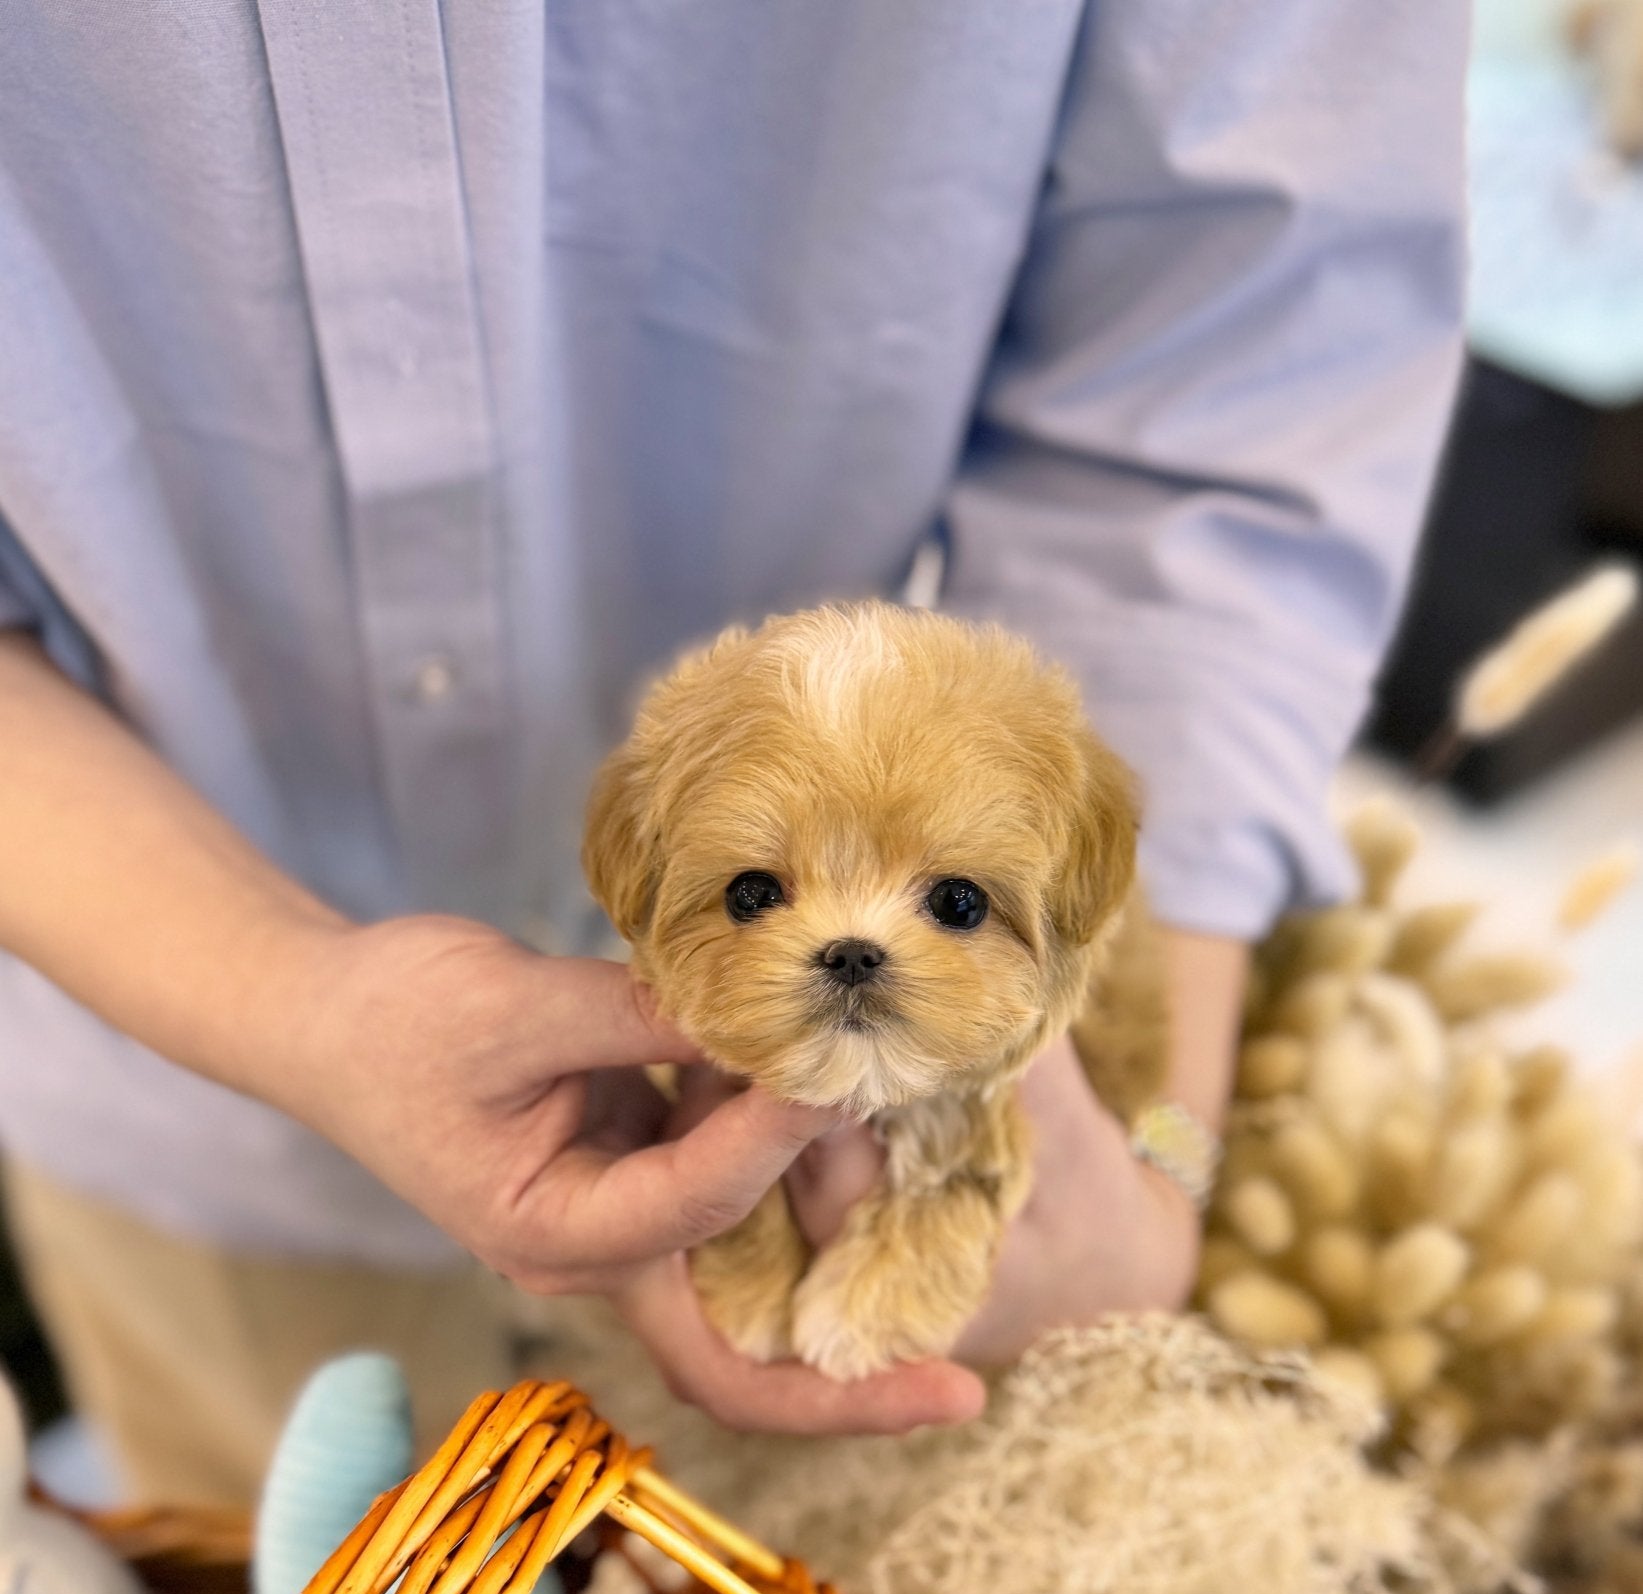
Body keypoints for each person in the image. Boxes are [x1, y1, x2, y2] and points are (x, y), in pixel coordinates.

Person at [0, 0, 1467, 1505]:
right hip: (173, 1082)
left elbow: (1248, 352)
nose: (851, 948)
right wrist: (284, 1000)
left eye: (950, 902)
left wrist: (1167, 1167)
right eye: (762, 893)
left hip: (974, 1188)